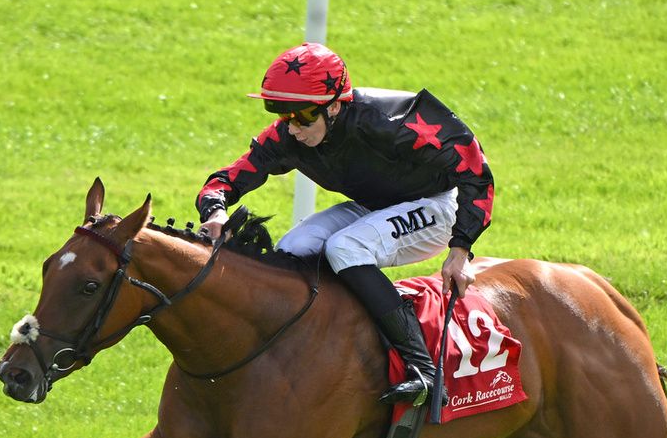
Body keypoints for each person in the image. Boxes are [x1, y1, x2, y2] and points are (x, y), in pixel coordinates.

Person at [196, 42, 494, 406]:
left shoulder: (388, 122)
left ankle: (425, 371)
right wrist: (215, 212)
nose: (292, 129)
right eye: (281, 113)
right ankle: (308, 350)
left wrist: (461, 249)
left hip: (437, 207)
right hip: (373, 207)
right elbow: (225, 179)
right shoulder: (287, 135)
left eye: (303, 116)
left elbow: (475, 169)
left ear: (335, 105)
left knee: (345, 248)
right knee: (292, 248)